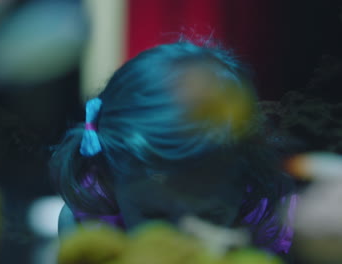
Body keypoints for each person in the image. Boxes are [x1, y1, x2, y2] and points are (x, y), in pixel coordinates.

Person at [50, 41, 297, 255]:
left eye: (209, 217)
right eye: (155, 217)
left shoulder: (268, 224)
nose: (181, 242)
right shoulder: (89, 226)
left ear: (244, 184)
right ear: (109, 180)